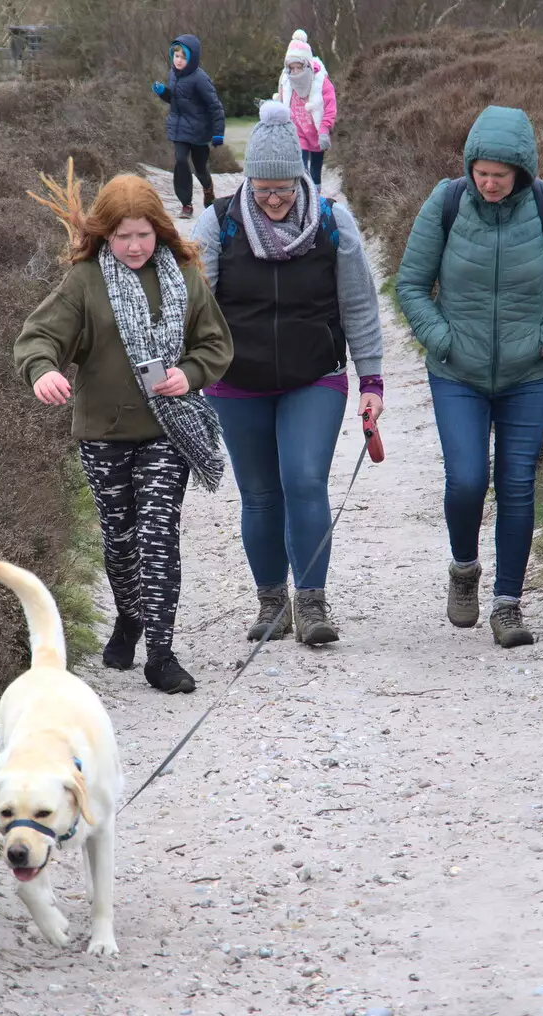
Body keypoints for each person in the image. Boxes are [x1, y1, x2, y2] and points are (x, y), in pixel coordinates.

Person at [15, 166, 233, 693]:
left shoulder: (183, 274)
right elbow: (39, 337)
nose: (134, 246)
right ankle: (128, 617)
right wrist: (43, 372)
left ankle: (161, 651)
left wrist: (191, 373)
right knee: (120, 539)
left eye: (143, 234)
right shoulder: (84, 281)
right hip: (103, 433)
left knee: (157, 534)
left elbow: (215, 344)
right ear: (104, 234)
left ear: (159, 229)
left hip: (168, 429)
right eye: (121, 236)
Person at [394, 105, 543, 649]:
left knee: (516, 484)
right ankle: (464, 569)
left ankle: (508, 603)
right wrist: (442, 339)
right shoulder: (447, 201)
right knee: (465, 479)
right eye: (480, 173)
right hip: (456, 371)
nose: (487, 183)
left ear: (522, 172)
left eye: (499, 177)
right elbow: (410, 284)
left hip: (529, 374)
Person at [190, 100, 385, 647]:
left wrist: (371, 382)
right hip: (236, 380)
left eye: (283, 188)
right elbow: (196, 307)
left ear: (301, 180)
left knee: (303, 480)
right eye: (262, 189)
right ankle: (271, 602)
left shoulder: (331, 221)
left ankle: (313, 603)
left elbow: (361, 306)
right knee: (259, 493)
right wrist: (190, 371)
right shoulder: (218, 223)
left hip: (313, 376)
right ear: (248, 183)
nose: (273, 200)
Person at [152, 34, 226, 221]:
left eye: (183, 57)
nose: (179, 60)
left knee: (200, 168)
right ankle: (186, 203)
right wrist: (164, 93)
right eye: (176, 56)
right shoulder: (172, 75)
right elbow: (176, 100)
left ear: (192, 58)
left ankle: (208, 189)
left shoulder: (200, 79)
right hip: (180, 129)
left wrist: (218, 133)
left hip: (200, 131)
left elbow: (215, 106)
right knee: (181, 161)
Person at [273, 29, 337, 198]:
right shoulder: (286, 81)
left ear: (307, 64)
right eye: (291, 68)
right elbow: (281, 101)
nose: (295, 72)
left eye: (298, 67)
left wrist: (325, 129)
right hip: (298, 132)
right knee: (301, 168)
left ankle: (315, 198)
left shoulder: (322, 82)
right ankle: (303, 197)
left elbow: (330, 106)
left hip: (317, 132)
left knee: (316, 169)